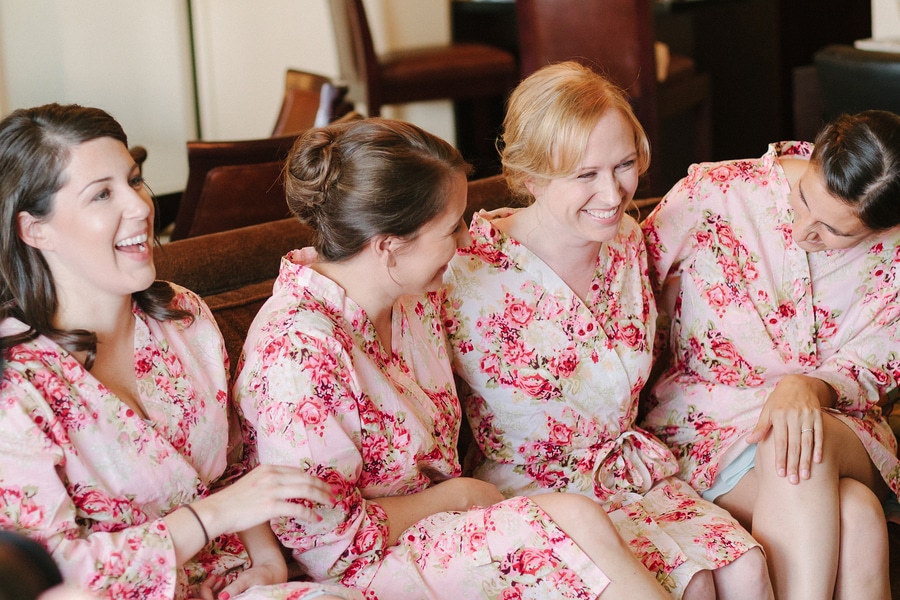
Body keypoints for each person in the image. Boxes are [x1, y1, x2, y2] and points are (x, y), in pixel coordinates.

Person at [234, 116, 669, 599]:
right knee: (572, 522)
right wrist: (458, 495)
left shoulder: (411, 297)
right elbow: (326, 546)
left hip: (448, 526)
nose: (468, 242)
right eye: (452, 227)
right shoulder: (297, 353)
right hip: (363, 568)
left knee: (590, 525)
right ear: (389, 247)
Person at [0, 103, 358, 600]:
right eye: (102, 194)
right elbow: (49, 573)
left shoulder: (182, 315)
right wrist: (208, 518)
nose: (141, 206)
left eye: (134, 179)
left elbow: (236, 467)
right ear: (34, 230)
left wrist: (268, 562)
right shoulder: (14, 387)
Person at [442, 61, 772, 599]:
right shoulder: (464, 271)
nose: (613, 192)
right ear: (530, 176)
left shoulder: (625, 241)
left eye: (623, 164)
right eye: (584, 175)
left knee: (747, 570)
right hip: (533, 493)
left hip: (631, 473)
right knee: (692, 586)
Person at [640, 109, 900, 599]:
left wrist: (809, 386)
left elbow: (879, 362)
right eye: (803, 199)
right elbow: (631, 291)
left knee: (799, 435)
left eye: (835, 232)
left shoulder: (897, 252)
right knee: (858, 517)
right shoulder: (716, 193)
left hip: (842, 426)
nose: (803, 230)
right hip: (708, 427)